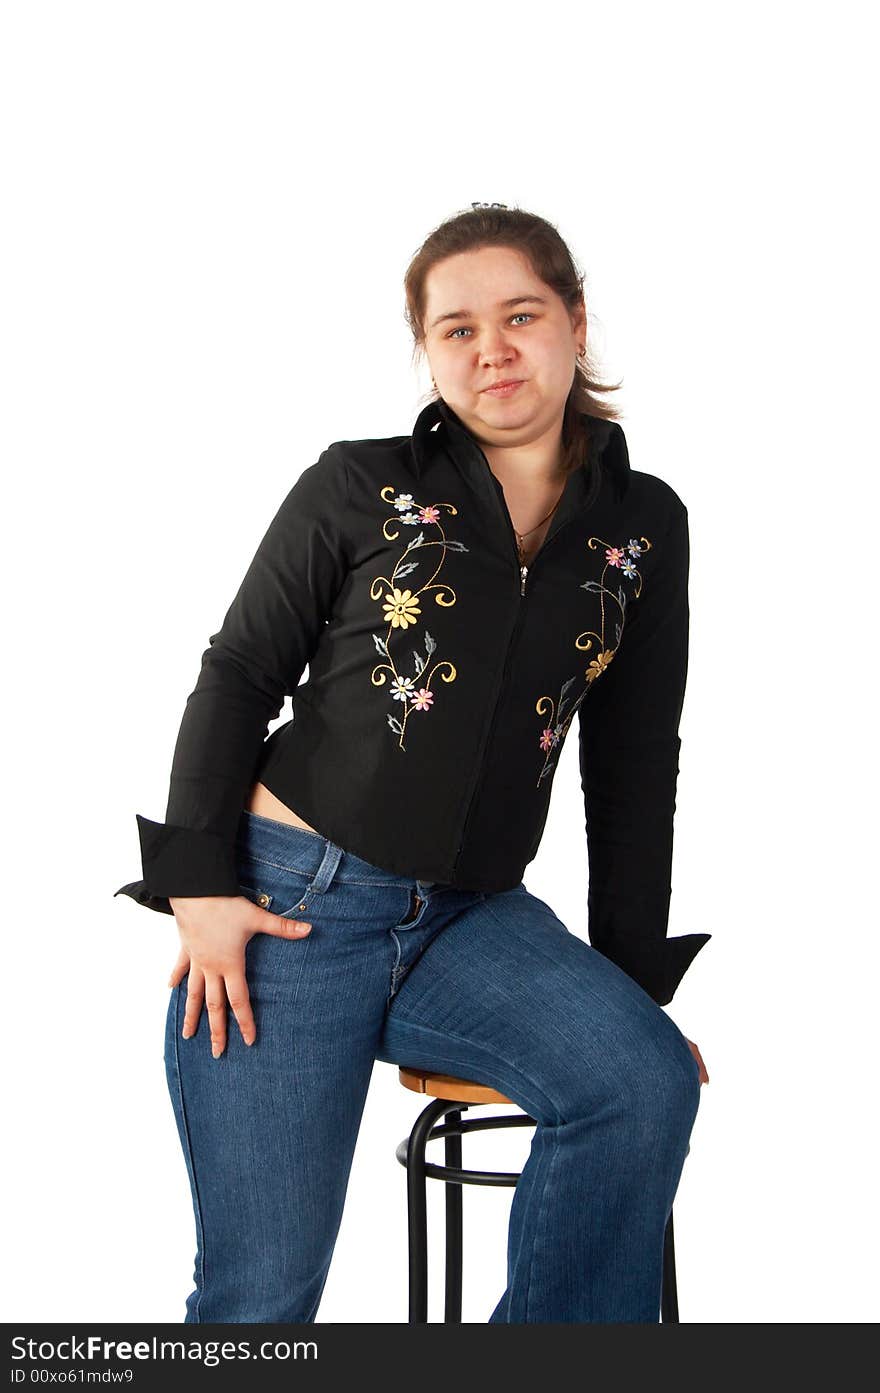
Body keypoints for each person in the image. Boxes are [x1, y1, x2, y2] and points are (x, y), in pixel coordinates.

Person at [115, 202, 711, 1324]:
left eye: (521, 314)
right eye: (456, 328)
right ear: (427, 351)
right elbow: (239, 672)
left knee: (638, 1080)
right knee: (260, 1299)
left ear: (575, 324)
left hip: (471, 919)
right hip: (288, 908)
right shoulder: (359, 484)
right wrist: (199, 888)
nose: (491, 347)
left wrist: (626, 987)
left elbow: (633, 766)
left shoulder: (643, 528)